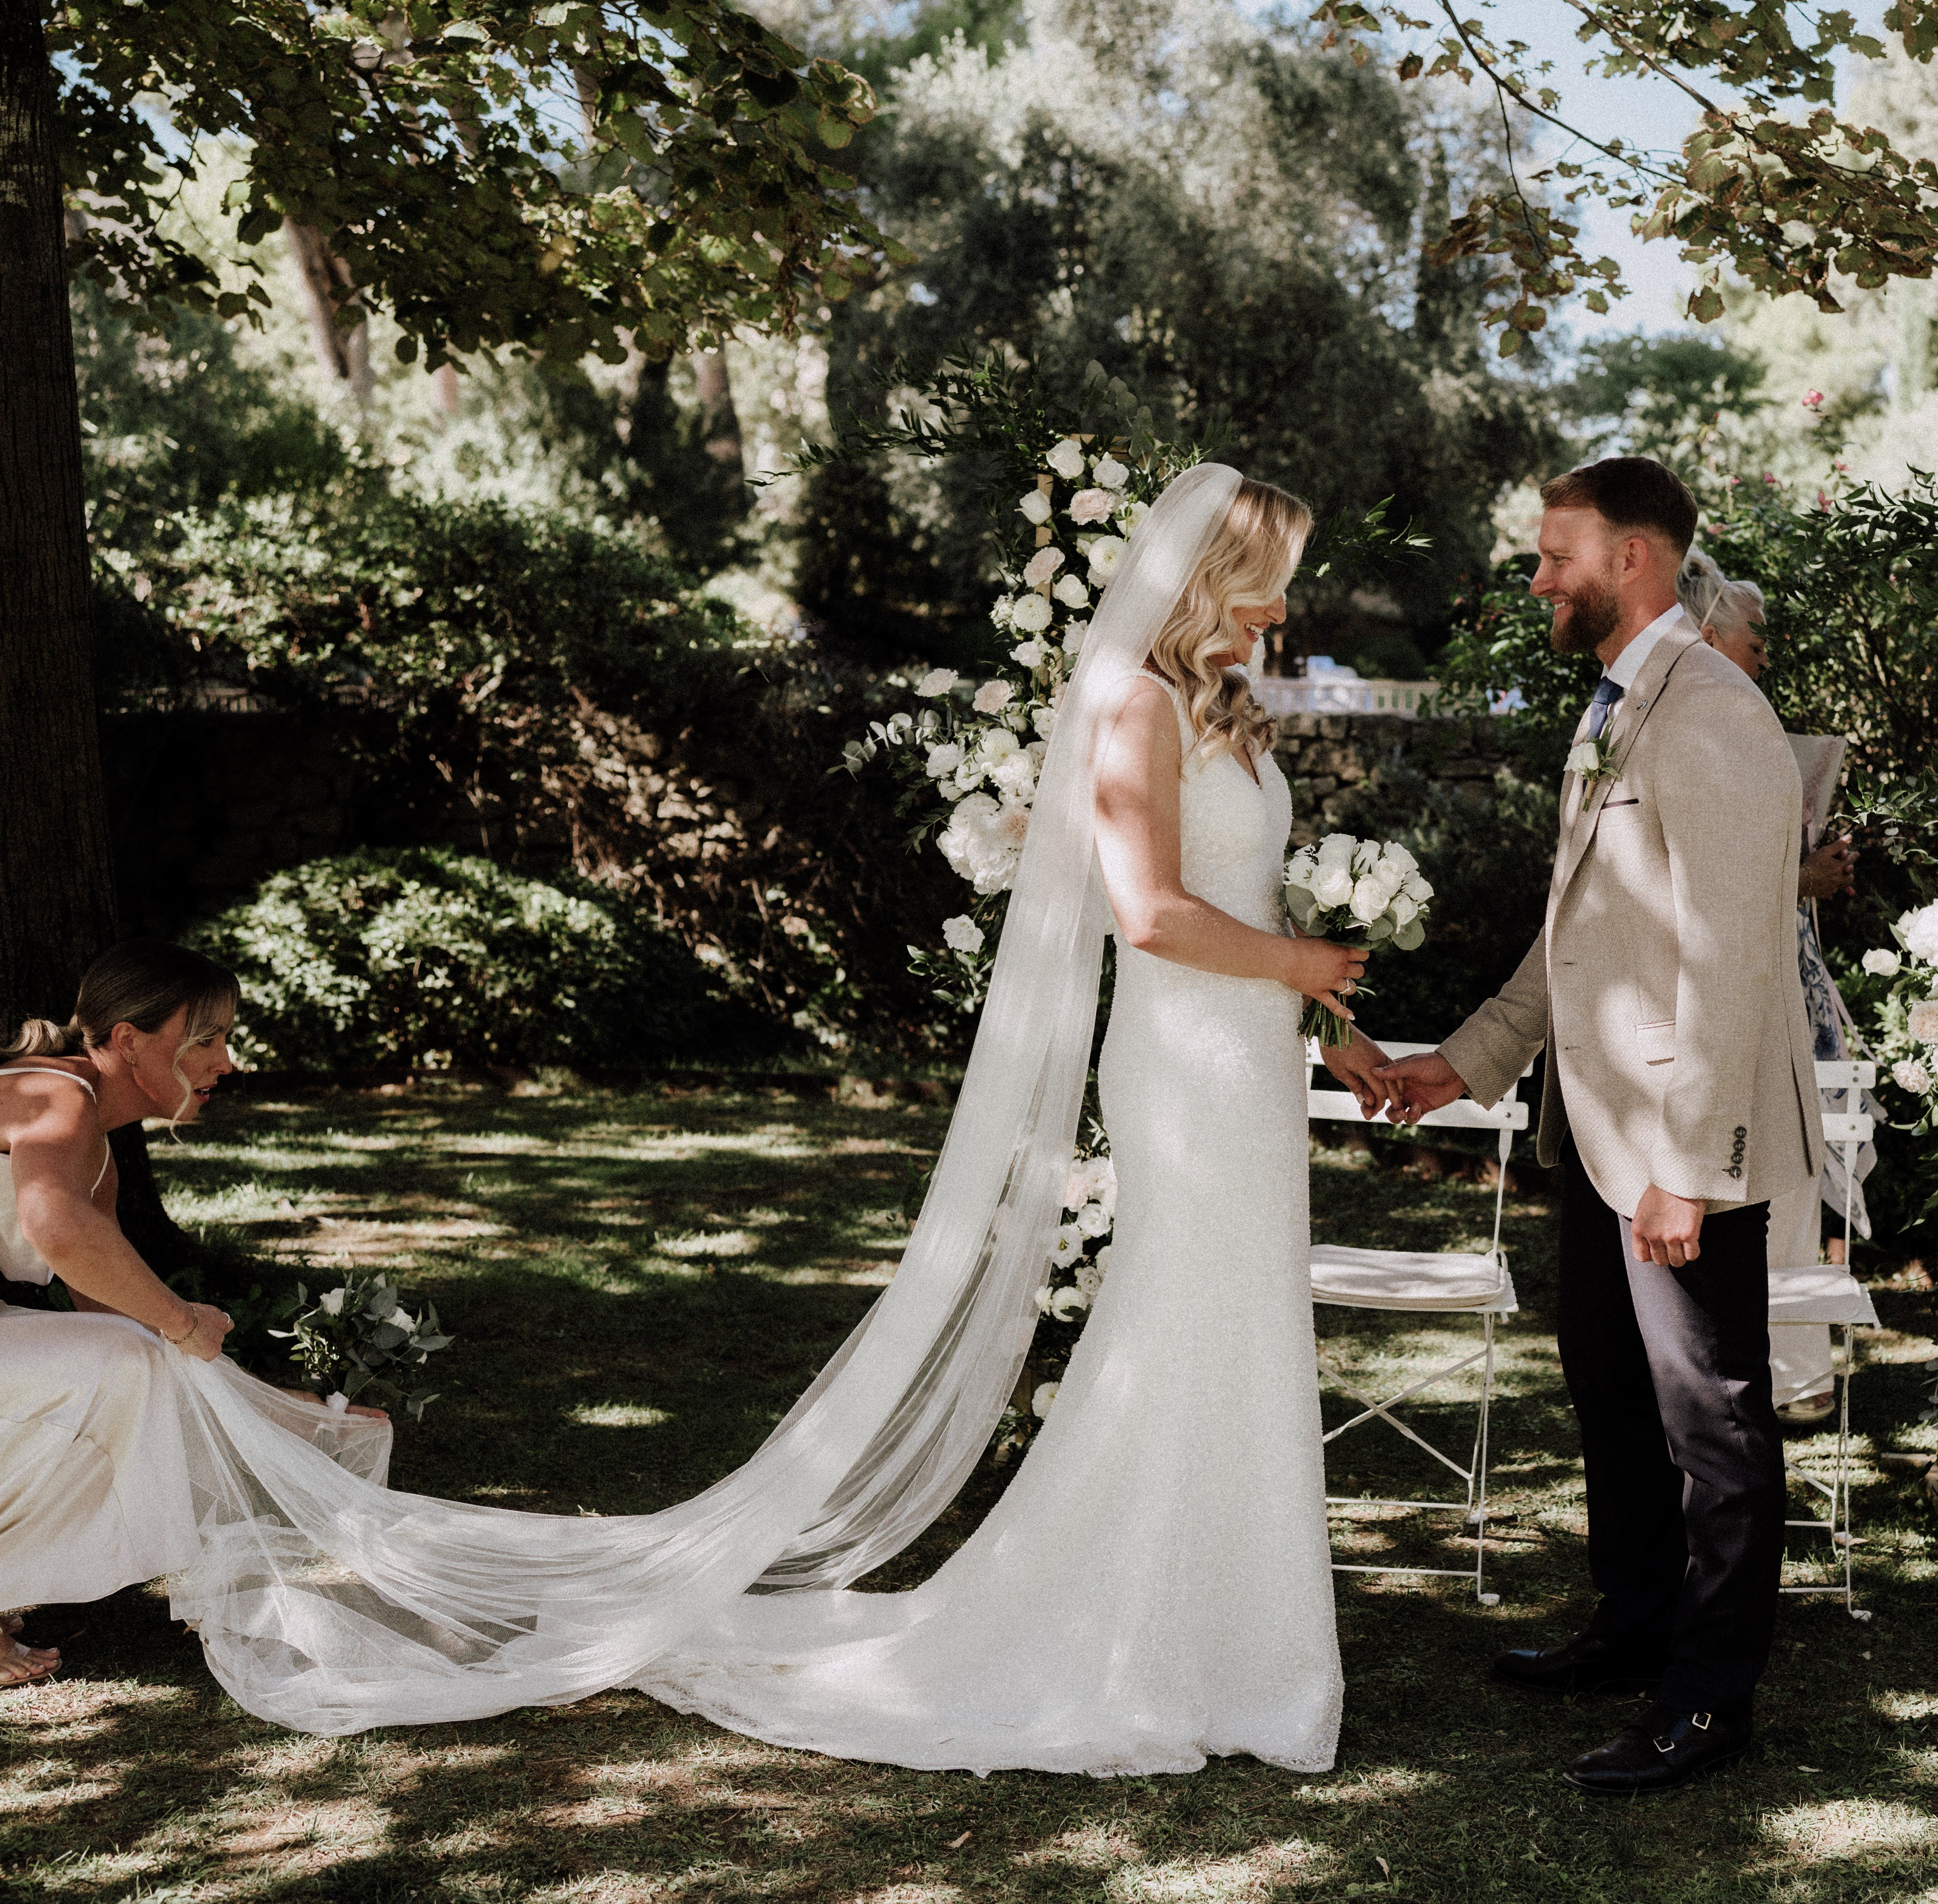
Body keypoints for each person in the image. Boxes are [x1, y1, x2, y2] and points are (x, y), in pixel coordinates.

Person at [143, 464, 1397, 1777]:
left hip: (1248, 1059)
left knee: (1238, 1322)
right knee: (1186, 1317)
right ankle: (1146, 1632)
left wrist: (1332, 1023)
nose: (1281, 605)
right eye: (1271, 577)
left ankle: (1229, 1631)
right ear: (1211, 573)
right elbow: (1148, 913)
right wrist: (1304, 966)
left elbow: (1240, 899)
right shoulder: (1133, 701)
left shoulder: (1229, 713)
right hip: (1184, 1062)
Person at [1379, 457, 1817, 1796]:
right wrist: (1460, 1063)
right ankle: (1633, 1627)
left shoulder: (1715, 713)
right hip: (1595, 1137)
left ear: (1630, 557)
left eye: (1550, 552)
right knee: (1612, 1403)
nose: (1534, 576)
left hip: (1679, 1157)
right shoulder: (1616, 706)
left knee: (1712, 1424)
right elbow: (1574, 935)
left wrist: (1685, 1170)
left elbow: (1731, 957)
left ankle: (1707, 1697)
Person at [0, 940, 391, 1687]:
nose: (228, 1060)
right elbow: (53, 1225)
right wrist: (180, 1319)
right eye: (205, 1039)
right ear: (127, 1040)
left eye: (226, 1038)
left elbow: (118, 1310)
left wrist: (288, 1410)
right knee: (121, 1363)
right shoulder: (61, 1097)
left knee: (124, 1366)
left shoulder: (100, 1153)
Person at [1677, 551, 1883, 1427]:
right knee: (1751, 1183)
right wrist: (1800, 879)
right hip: (1728, 999)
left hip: (1783, 990)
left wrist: (1812, 873)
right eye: (1753, 639)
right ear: (1710, 635)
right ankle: (1759, 1373)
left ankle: (1796, 1377)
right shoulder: (1691, 731)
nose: (1764, 656)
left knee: (1794, 1184)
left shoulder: (1742, 725)